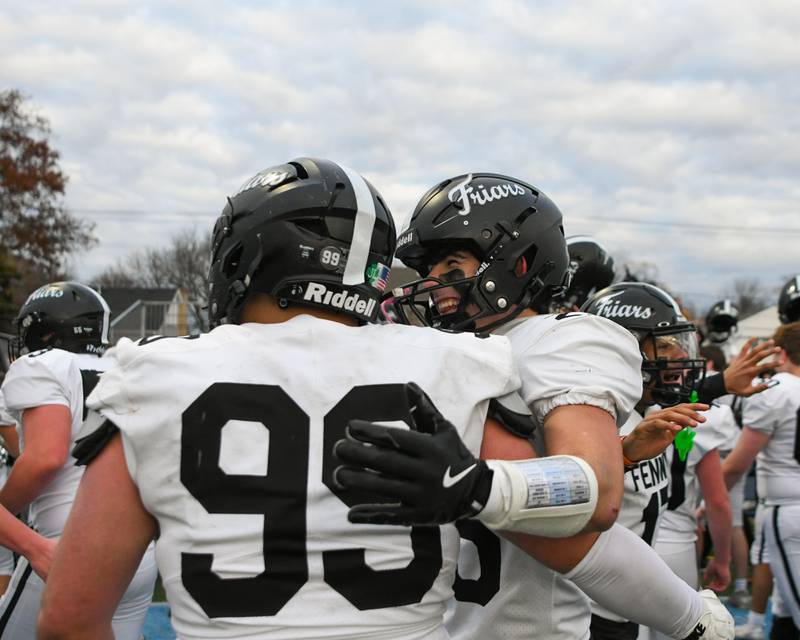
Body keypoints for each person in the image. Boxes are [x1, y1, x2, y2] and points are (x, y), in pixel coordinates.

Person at [37, 158, 567, 640]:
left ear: (244, 252)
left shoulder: (152, 376)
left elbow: (69, 620)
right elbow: (565, 532)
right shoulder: (460, 364)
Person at [370, 172, 733, 639]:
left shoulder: (560, 339)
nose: (434, 285)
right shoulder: (454, 353)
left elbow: (594, 497)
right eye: (431, 272)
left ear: (517, 264)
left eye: (452, 266)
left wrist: (474, 484)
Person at [0, 282, 157, 639]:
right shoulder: (127, 366)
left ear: (46, 331)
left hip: (63, 545)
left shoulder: (45, 364)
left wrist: (4, 511)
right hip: (138, 552)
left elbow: (46, 458)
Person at [722, 322, 800, 638]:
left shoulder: (775, 391)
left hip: (787, 507)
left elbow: (738, 464)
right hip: (788, 504)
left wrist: (706, 506)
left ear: (779, 352)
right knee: (783, 609)